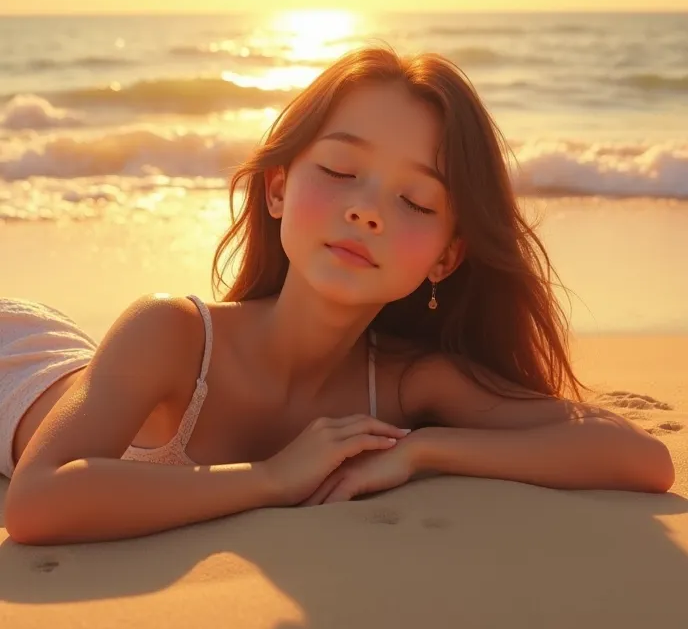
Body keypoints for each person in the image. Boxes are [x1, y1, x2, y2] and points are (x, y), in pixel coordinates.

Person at [2, 45, 674, 545]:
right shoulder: (172, 336)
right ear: (277, 189)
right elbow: (36, 502)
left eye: (415, 199)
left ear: (447, 256)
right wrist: (271, 480)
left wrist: (423, 450)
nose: (367, 210)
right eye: (339, 169)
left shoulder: (408, 383)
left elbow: (636, 456)